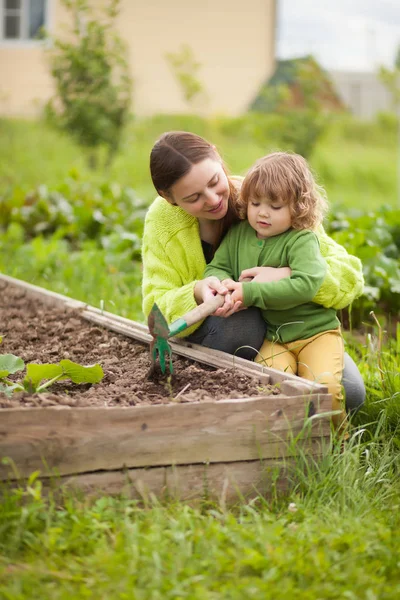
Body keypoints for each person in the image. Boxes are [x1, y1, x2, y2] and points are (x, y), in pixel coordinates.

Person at [142, 131, 365, 413]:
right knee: (244, 324)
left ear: (218, 157)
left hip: (295, 327)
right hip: (225, 332)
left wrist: (288, 275)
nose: (212, 199)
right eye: (194, 197)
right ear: (168, 197)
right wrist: (197, 291)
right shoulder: (163, 222)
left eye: (214, 182)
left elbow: (349, 275)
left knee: (352, 395)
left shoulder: (263, 197)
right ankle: (224, 394)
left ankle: (289, 386)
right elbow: (154, 306)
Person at [204, 152, 349, 429]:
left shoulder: (302, 240)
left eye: (275, 206)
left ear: (298, 207)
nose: (262, 212)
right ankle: (283, 446)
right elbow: (217, 267)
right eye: (255, 203)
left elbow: (305, 286)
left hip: (315, 335)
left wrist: (249, 294)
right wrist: (222, 285)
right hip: (276, 338)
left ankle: (337, 446)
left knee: (324, 386)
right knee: (267, 385)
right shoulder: (239, 235)